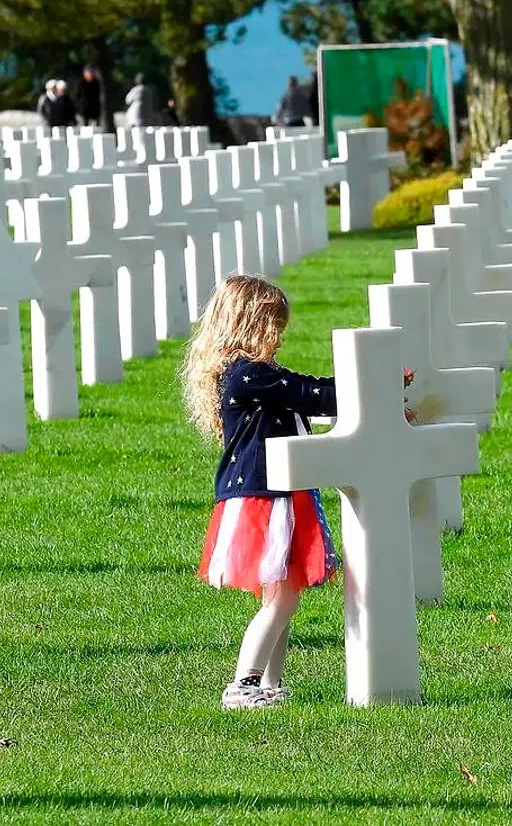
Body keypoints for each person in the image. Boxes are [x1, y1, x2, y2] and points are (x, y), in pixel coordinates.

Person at [180, 275, 341, 710]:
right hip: (263, 499)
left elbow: (303, 387)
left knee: (282, 595)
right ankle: (244, 683)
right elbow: (307, 393)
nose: (281, 338)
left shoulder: (250, 375)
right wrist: (367, 385)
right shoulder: (248, 375)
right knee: (282, 598)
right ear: (253, 323)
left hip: (277, 494)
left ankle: (270, 685)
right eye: (276, 327)